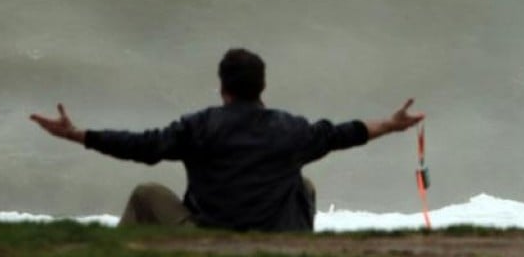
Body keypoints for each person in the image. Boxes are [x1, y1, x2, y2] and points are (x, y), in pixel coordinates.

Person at [29, 47, 425, 232]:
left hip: (209, 238)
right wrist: (391, 124)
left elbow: (143, 147)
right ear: (263, 86)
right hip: (274, 238)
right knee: (304, 185)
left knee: (146, 192)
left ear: (222, 87)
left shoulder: (199, 127)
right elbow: (345, 134)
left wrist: (79, 135)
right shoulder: (292, 129)